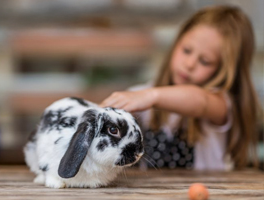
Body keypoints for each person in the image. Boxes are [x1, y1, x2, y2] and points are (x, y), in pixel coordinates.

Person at [100, 6, 261, 171]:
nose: (190, 64)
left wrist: (152, 96)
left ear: (224, 71)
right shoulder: (142, 94)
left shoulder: (221, 103)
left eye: (205, 61)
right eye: (186, 50)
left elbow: (200, 101)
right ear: (176, 43)